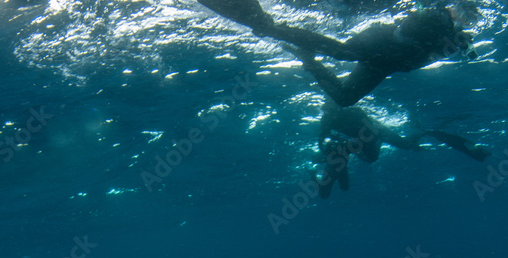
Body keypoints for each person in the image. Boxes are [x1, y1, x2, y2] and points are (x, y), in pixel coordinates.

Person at [198, 0, 478, 106]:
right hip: (381, 43)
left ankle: (308, 59)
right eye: (462, 11)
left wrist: (456, 44)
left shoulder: (457, 39)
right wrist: (442, 32)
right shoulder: (437, 17)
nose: (462, 18)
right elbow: (410, 24)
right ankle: (273, 28)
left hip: (386, 64)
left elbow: (428, 57)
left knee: (345, 98)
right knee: (343, 52)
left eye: (469, 17)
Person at [314, 102, 489, 196]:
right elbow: (322, 138)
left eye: (330, 108)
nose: (328, 111)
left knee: (405, 145)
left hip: (375, 131)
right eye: (326, 109)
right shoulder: (326, 120)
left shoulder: (354, 111)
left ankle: (427, 132)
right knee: (368, 159)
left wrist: (360, 143)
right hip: (358, 140)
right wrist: (332, 145)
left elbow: (369, 128)